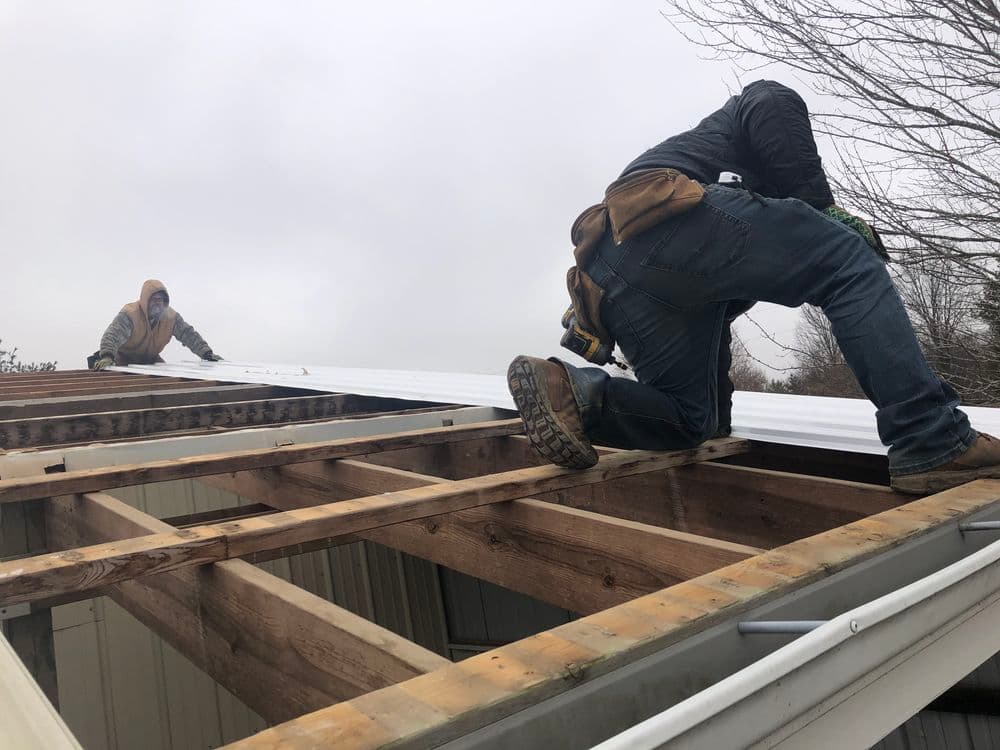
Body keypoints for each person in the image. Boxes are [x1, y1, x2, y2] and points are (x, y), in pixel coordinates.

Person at [507, 79, 1000, 495]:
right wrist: (821, 208)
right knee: (848, 261)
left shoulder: (732, 214)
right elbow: (768, 99)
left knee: (692, 421)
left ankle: (575, 394)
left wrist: (718, 403)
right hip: (661, 209)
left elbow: (715, 306)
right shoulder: (751, 108)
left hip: (609, 271)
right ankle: (932, 438)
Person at [89, 279, 223, 369]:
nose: (158, 303)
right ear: (145, 300)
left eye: (162, 300)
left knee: (168, 384)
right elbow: (113, 335)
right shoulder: (131, 314)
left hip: (150, 361)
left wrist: (206, 353)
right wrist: (107, 356)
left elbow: (188, 334)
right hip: (123, 360)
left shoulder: (171, 317)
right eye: (154, 299)